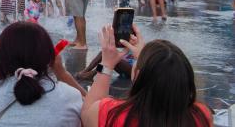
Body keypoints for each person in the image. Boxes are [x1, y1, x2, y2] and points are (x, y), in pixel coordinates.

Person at [80, 25, 211, 127]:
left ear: (136, 75)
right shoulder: (201, 115)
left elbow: (87, 114)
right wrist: (145, 57)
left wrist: (107, 65)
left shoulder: (113, 114)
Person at [0, 22, 85, 127]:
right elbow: (95, 110)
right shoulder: (69, 96)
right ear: (48, 57)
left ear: (1, 56)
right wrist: (61, 73)